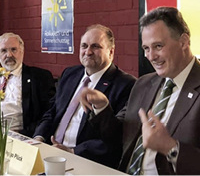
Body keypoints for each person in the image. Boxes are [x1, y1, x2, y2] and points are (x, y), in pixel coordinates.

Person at [81, 7, 200, 175]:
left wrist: (171, 148)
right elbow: (119, 139)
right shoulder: (143, 84)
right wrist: (102, 107)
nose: (151, 56)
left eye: (158, 46)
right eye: (146, 48)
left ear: (184, 42)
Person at [33, 24, 136, 168]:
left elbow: (117, 138)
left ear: (111, 52)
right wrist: (38, 137)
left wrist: (72, 151)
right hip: (50, 153)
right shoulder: (70, 74)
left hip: (85, 161)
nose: (88, 52)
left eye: (95, 46)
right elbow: (52, 111)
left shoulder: (126, 85)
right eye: (84, 46)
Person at [0, 32, 55, 137]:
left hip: (21, 135)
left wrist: (24, 134)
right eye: (4, 51)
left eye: (13, 50)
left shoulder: (39, 77)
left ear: (22, 52)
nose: (9, 55)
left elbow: (48, 113)